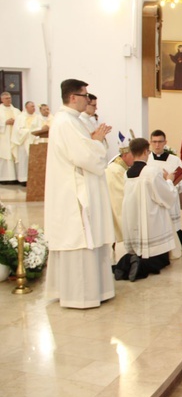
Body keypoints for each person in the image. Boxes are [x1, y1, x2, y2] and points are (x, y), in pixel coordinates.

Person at [44, 79, 115, 308]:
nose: (88, 99)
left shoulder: (73, 121)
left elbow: (90, 151)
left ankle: (97, 290)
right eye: (84, 95)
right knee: (80, 240)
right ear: (72, 97)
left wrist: (94, 141)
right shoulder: (66, 122)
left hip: (80, 188)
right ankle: (81, 296)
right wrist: (95, 142)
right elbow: (85, 157)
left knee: (88, 240)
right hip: (75, 194)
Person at [121, 138, 179, 278]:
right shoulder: (151, 171)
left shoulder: (127, 173)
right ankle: (140, 268)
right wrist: (169, 180)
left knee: (138, 252)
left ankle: (124, 266)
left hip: (133, 217)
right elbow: (166, 196)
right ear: (146, 151)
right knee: (161, 260)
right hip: (150, 219)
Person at [147, 130, 182, 248]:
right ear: (150, 142)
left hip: (170, 199)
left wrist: (172, 183)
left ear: (165, 142)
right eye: (154, 142)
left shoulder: (174, 160)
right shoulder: (147, 160)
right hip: (153, 200)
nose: (157, 145)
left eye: (160, 142)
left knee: (171, 227)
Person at [105, 144, 135, 243]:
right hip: (117, 208)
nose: (135, 158)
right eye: (133, 155)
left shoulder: (120, 168)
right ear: (125, 155)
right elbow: (121, 197)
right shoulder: (115, 170)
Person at [11, 101, 43, 185]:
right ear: (26, 108)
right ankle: (23, 179)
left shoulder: (38, 117)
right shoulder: (20, 117)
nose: (34, 108)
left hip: (34, 141)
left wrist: (32, 132)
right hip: (23, 141)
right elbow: (17, 130)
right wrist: (29, 132)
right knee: (24, 160)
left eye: (34, 106)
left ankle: (32, 179)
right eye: (32, 106)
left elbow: (40, 128)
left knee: (33, 161)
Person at [0, 91, 20, 182]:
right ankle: (3, 178)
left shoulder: (16, 111)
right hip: (3, 137)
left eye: (9, 98)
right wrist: (4, 122)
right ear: (2, 99)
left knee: (13, 155)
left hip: (13, 137)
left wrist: (15, 122)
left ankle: (14, 178)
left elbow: (21, 122)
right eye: (6, 98)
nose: (8, 100)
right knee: (4, 156)